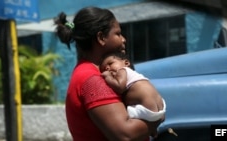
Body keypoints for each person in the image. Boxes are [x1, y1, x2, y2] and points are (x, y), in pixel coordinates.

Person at [54, 6, 165, 141]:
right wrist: (156, 118)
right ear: (101, 38)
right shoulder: (92, 79)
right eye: (118, 34)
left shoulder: (92, 72)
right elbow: (125, 135)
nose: (123, 39)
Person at [100, 52, 166, 122]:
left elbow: (120, 87)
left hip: (146, 110)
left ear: (126, 63)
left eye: (110, 63)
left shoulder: (122, 70)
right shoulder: (136, 75)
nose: (107, 68)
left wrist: (108, 76)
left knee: (116, 118)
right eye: (104, 69)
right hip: (161, 110)